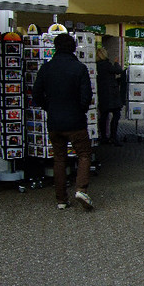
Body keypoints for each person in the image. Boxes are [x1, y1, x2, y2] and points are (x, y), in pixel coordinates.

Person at [32, 33, 94, 210]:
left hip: (55, 121)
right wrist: (79, 110)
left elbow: (36, 94)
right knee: (83, 154)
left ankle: (61, 199)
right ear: (73, 47)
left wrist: (49, 107)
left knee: (59, 158)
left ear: (55, 47)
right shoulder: (79, 68)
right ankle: (81, 189)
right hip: (75, 121)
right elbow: (86, 96)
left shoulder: (46, 68)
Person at [96, 47, 124, 146]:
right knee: (116, 115)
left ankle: (104, 137)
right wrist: (116, 62)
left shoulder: (97, 66)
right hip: (112, 95)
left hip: (102, 94)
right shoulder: (107, 65)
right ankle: (113, 137)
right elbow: (119, 70)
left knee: (103, 116)